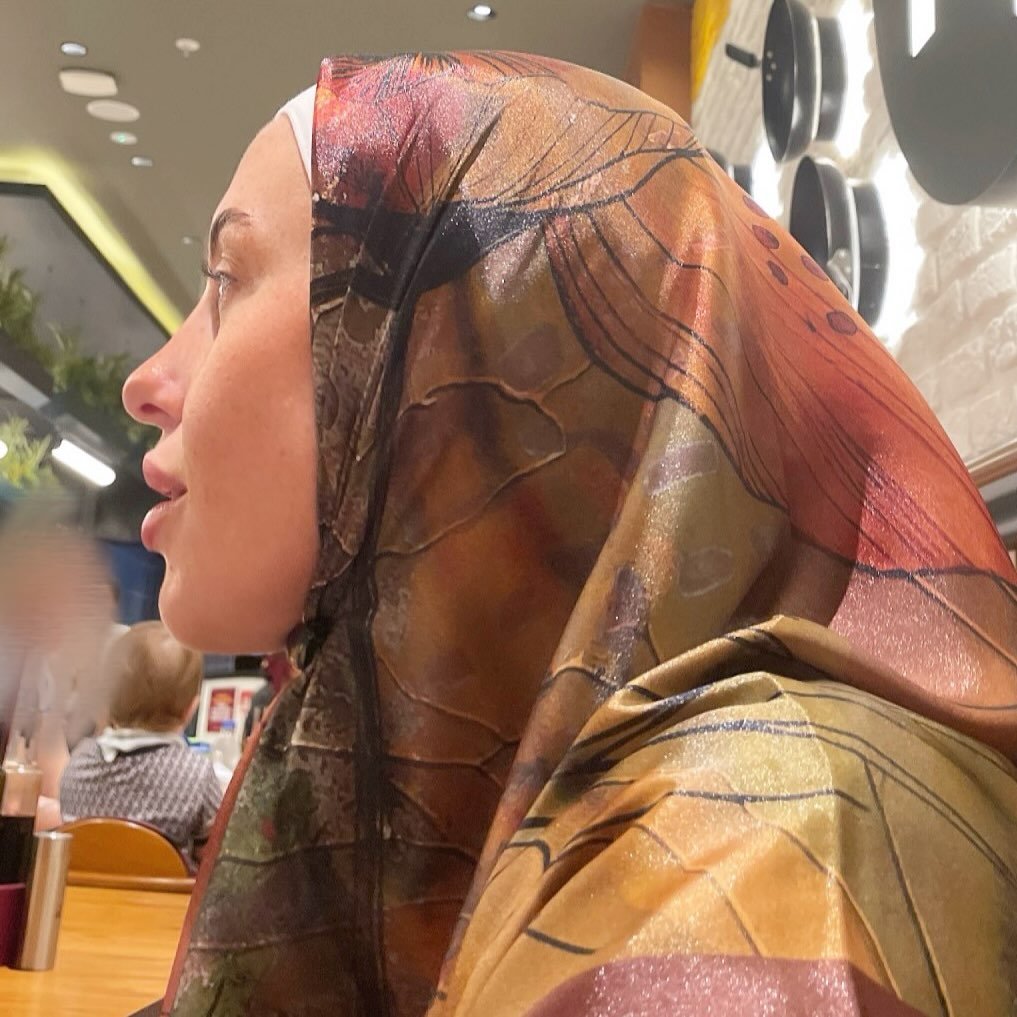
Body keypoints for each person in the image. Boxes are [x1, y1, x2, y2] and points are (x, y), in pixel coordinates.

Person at [122, 55, 1017, 1017]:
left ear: (472, 329)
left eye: (226, 279)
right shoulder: (424, 744)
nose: (146, 382)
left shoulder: (762, 854)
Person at [59, 621, 222, 869]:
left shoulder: (79, 763)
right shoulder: (196, 774)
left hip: (80, 892)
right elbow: (212, 857)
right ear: (191, 709)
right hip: (164, 894)